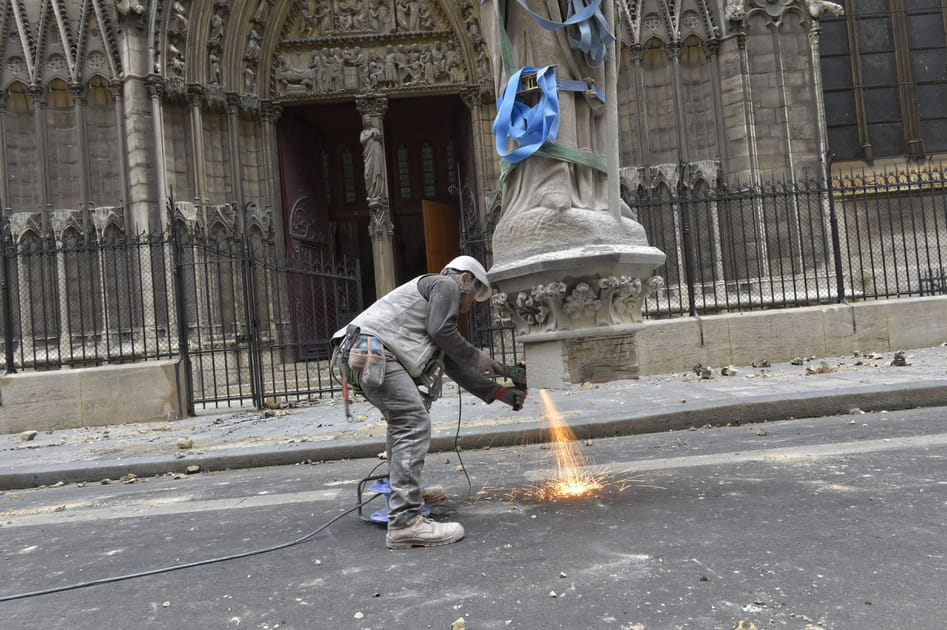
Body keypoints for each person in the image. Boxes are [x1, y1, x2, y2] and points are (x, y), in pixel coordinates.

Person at [332, 256, 526, 549]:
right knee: (412, 422)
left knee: (404, 422)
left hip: (361, 352)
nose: (471, 306)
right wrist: (477, 356)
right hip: (374, 351)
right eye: (473, 298)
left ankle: (405, 495)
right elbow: (443, 333)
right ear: (464, 280)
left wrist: (498, 392)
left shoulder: (432, 311)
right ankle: (406, 523)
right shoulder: (444, 285)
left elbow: (454, 366)